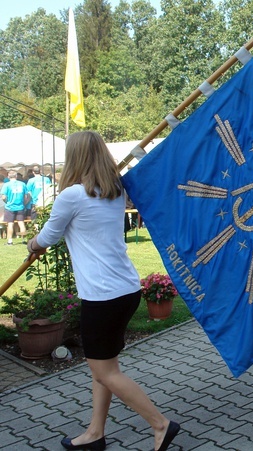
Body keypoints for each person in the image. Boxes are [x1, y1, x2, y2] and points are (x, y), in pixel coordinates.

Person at [26, 131, 180, 451]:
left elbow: (48, 237)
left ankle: (161, 424)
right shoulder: (112, 192)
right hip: (125, 290)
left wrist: (33, 244)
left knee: (104, 370)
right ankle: (95, 433)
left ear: (75, 157)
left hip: (103, 296)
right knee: (105, 367)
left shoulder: (72, 195)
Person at [2, 170, 29, 245]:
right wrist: (24, 203)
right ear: (16, 176)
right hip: (20, 206)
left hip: (10, 207)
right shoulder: (22, 184)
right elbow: (27, 196)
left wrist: (7, 202)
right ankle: (24, 240)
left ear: (8, 177)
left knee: (10, 224)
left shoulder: (6, 185)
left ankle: (10, 241)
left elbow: (3, 197)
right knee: (21, 223)